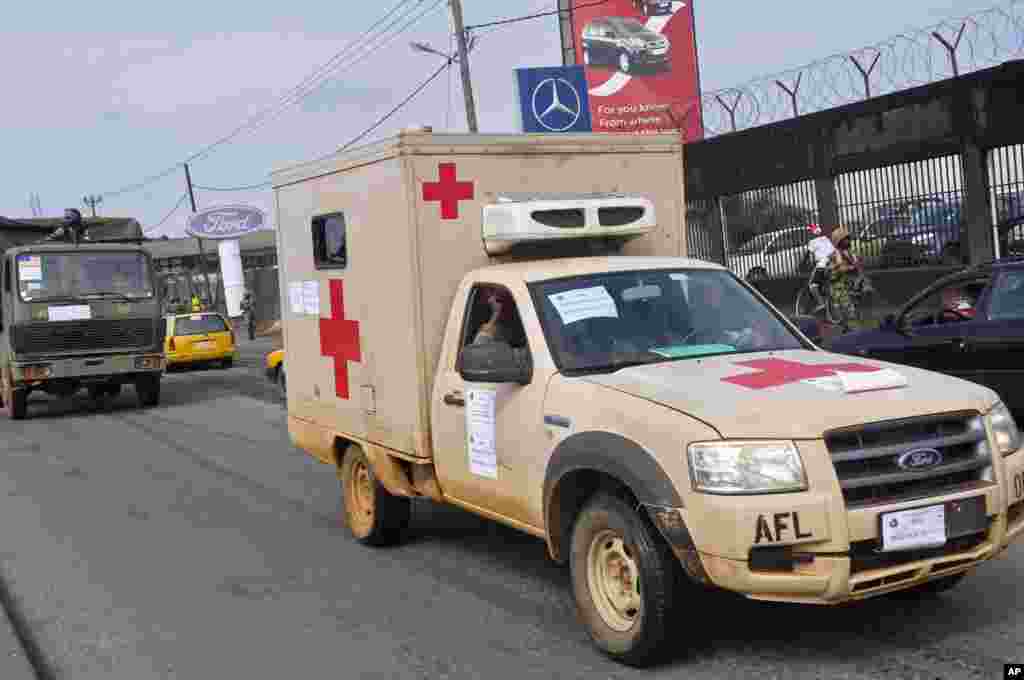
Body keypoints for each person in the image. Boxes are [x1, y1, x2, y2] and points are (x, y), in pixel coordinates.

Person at [826, 225, 862, 331]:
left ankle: (848, 330)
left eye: (848, 238)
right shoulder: (836, 254)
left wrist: (856, 264)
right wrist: (852, 267)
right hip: (839, 287)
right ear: (839, 241)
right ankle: (853, 332)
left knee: (850, 312)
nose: (848, 240)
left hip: (848, 285)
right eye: (845, 239)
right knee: (849, 312)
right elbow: (841, 269)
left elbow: (856, 265)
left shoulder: (849, 252)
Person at [805, 223, 835, 309]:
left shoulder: (812, 242)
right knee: (826, 282)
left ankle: (821, 303)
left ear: (811, 233)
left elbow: (807, 255)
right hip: (832, 264)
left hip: (822, 266)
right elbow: (833, 252)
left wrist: (802, 264)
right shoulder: (826, 239)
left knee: (813, 286)